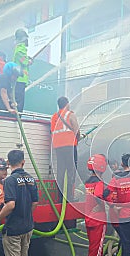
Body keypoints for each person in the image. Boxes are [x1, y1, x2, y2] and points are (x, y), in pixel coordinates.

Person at [50, 96, 80, 228]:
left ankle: (59, 197)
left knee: (61, 172)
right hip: (69, 146)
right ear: (67, 104)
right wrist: (77, 139)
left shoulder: (54, 116)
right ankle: (70, 197)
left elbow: (53, 131)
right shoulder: (70, 114)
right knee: (71, 171)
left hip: (58, 147)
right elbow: (76, 129)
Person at [84, 154, 108, 256]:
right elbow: (99, 195)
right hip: (98, 219)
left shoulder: (88, 182)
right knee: (97, 248)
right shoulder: (99, 182)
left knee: (94, 247)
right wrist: (102, 204)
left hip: (89, 218)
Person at [13, 29, 31, 112]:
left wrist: (28, 59)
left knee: (19, 100)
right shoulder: (20, 50)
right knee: (19, 101)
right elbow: (24, 61)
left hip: (21, 80)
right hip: (19, 79)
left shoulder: (21, 49)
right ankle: (17, 115)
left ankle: (18, 114)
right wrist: (29, 61)